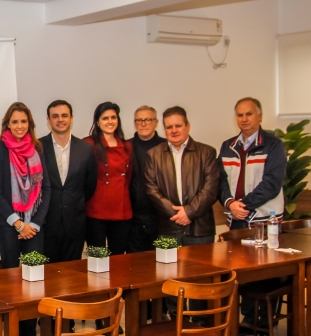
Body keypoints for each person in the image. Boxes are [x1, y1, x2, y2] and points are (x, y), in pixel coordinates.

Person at [218, 97, 286, 335]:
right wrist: (229, 203)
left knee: (265, 274)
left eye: (249, 114)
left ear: (259, 116)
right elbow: (221, 181)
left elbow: (272, 184)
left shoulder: (273, 145)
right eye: (240, 115)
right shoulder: (228, 146)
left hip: (265, 222)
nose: (244, 119)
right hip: (237, 221)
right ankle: (247, 322)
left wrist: (242, 205)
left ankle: (264, 322)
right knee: (241, 274)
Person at [145, 106, 218, 324]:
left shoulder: (207, 152)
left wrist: (189, 212)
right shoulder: (154, 155)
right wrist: (175, 213)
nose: (174, 130)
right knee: (170, 281)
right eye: (169, 127)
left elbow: (210, 188)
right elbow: (151, 189)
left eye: (178, 125)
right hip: (168, 227)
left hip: (200, 229)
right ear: (163, 128)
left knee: (200, 282)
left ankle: (199, 324)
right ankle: (174, 323)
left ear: (187, 126)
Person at [0, 102, 50, 336]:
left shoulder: (38, 150)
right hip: (7, 224)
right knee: (12, 282)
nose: (20, 126)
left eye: (24, 121)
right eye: (15, 121)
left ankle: (29, 331)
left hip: (34, 225)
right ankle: (12, 330)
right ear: (7, 124)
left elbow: (48, 188)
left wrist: (33, 224)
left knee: (35, 282)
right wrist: (18, 223)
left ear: (30, 124)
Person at [39, 100, 97, 263]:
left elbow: (89, 185)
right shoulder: (38, 147)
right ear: (48, 120)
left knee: (73, 276)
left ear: (71, 118)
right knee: (47, 278)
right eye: (55, 116)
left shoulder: (85, 148)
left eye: (64, 115)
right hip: (47, 223)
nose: (60, 119)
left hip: (75, 223)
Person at [84, 102, 133, 256]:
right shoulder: (88, 144)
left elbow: (129, 177)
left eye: (113, 117)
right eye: (105, 118)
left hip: (122, 209)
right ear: (97, 122)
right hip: (96, 210)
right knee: (96, 258)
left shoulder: (127, 146)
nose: (110, 121)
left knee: (118, 257)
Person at [128, 106, 167, 253]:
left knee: (162, 264)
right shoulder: (126, 147)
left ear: (156, 122)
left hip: (161, 217)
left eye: (148, 120)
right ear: (134, 123)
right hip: (133, 218)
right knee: (135, 264)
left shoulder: (166, 146)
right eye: (139, 120)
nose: (143, 124)